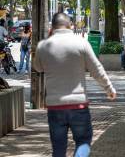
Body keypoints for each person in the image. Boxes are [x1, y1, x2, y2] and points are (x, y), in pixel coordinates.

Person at [33, 13, 116, 157]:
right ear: (70, 25)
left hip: (55, 106)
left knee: (58, 147)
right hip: (78, 105)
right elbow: (96, 69)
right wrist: (109, 88)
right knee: (83, 141)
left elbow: (38, 68)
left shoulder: (43, 46)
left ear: (52, 28)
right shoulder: (81, 43)